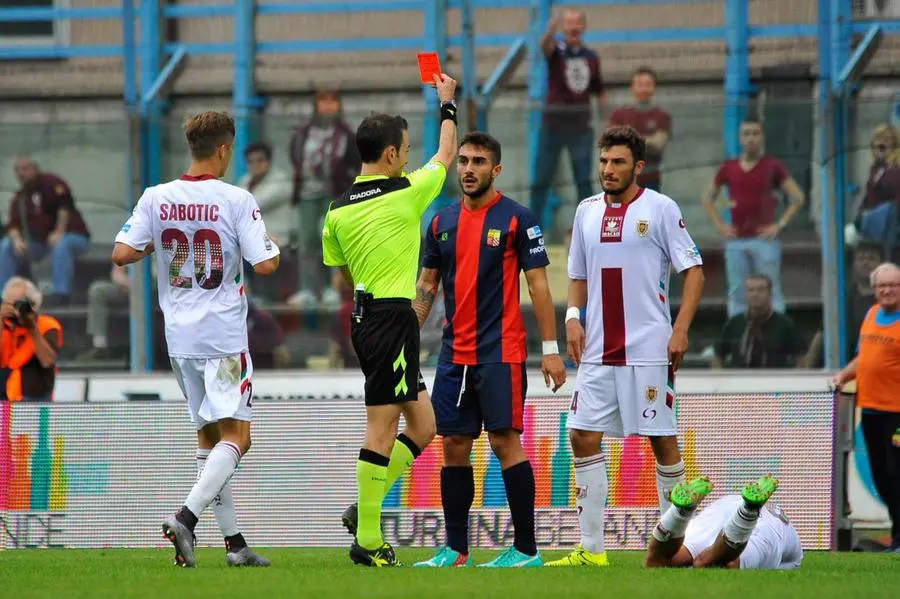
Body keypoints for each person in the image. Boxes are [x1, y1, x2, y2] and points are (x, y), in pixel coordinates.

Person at [112, 111, 281, 568]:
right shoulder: (236, 198)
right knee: (238, 437)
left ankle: (235, 544)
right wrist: (270, 243)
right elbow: (265, 264)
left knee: (209, 438)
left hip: (179, 337)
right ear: (224, 149)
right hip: (223, 337)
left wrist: (165, 241)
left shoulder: (157, 197)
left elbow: (122, 252)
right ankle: (185, 517)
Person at [548, 125, 706, 567]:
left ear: (638, 166)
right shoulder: (585, 211)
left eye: (618, 162)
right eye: (603, 161)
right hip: (597, 348)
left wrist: (680, 329)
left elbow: (694, 270)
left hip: (648, 348)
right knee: (581, 435)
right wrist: (573, 320)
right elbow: (577, 275)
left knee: (661, 440)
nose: (608, 170)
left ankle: (673, 547)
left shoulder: (660, 208)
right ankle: (592, 550)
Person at [411, 132, 567, 568]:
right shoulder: (440, 222)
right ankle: (456, 549)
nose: (468, 168)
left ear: (495, 169)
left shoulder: (518, 219)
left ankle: (526, 550)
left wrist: (551, 350)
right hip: (453, 353)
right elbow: (426, 286)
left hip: (502, 352)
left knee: (504, 442)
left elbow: (538, 284)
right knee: (454, 445)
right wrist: (404, 339)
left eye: (478, 161)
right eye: (462, 161)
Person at [322, 73, 459, 567]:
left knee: (424, 426)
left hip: (366, 315)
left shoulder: (336, 210)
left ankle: (366, 508)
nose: (407, 155)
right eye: (403, 149)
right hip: (389, 318)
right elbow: (445, 157)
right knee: (381, 428)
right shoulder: (404, 193)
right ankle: (368, 539)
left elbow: (337, 267)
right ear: (389, 156)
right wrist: (447, 104)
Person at [701, 119, 805, 318]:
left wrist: (779, 225)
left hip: (764, 240)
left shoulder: (772, 165)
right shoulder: (729, 167)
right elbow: (707, 197)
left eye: (755, 133)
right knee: (738, 293)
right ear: (740, 138)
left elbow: (798, 197)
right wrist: (720, 226)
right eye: (747, 134)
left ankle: (775, 335)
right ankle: (739, 338)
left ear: (762, 137)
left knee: (771, 290)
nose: (751, 139)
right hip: (736, 241)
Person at [830, 262, 900, 552]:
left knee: (897, 474)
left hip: (897, 414)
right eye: (882, 286)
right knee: (881, 475)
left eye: (893, 285)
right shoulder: (871, 315)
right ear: (874, 289)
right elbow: (864, 358)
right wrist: (843, 376)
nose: (887, 290)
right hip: (869, 410)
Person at [531, 8, 605, 234]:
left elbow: (598, 91)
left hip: (581, 128)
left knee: (583, 180)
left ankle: (589, 229)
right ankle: (532, 230)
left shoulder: (591, 57)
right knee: (541, 179)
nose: (573, 27)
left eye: (577, 23)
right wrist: (548, 34)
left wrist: (606, 123)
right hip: (552, 125)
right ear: (563, 27)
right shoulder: (557, 51)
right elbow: (545, 48)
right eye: (569, 23)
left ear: (583, 27)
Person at [290, 88, 361, 309]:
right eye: (323, 101)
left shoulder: (346, 133)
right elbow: (295, 154)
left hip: (334, 192)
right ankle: (307, 290)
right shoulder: (304, 131)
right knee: (307, 242)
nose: (328, 106)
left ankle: (333, 288)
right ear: (316, 105)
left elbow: (355, 161)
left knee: (334, 241)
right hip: (307, 194)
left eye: (333, 101)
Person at [644, 475, 803, 570]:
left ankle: (681, 511)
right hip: (769, 528)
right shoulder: (792, 552)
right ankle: (749, 510)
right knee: (711, 564)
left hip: (726, 505)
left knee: (656, 561)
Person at [0, 158, 91, 305]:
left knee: (61, 243)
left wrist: (59, 230)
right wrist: (17, 240)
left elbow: (64, 205)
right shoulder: (20, 197)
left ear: (35, 169)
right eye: (17, 170)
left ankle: (60, 294)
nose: (21, 173)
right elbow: (13, 225)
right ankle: (3, 295)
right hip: (41, 244)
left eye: (25, 169)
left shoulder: (52, 183)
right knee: (6, 245)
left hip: (74, 238)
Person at [711, 273, 807, 369]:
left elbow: (801, 359)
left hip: (773, 380)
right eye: (751, 290)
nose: (755, 294)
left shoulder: (785, 325)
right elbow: (718, 356)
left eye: (761, 290)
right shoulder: (734, 323)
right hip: (739, 380)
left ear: (770, 293)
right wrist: (720, 381)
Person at [607, 66, 671, 192]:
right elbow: (612, 145)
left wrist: (627, 140)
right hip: (621, 180)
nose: (644, 89)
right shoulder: (618, 115)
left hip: (651, 179)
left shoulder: (662, 116)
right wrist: (647, 140)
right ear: (632, 87)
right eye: (640, 84)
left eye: (648, 84)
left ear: (654, 88)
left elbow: (658, 145)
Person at [0, 276, 63, 402]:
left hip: (36, 400)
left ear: (33, 304)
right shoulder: (4, 325)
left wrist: (32, 328)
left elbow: (47, 361)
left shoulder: (47, 325)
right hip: (3, 398)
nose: (16, 309)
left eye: (19, 304)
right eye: (10, 304)